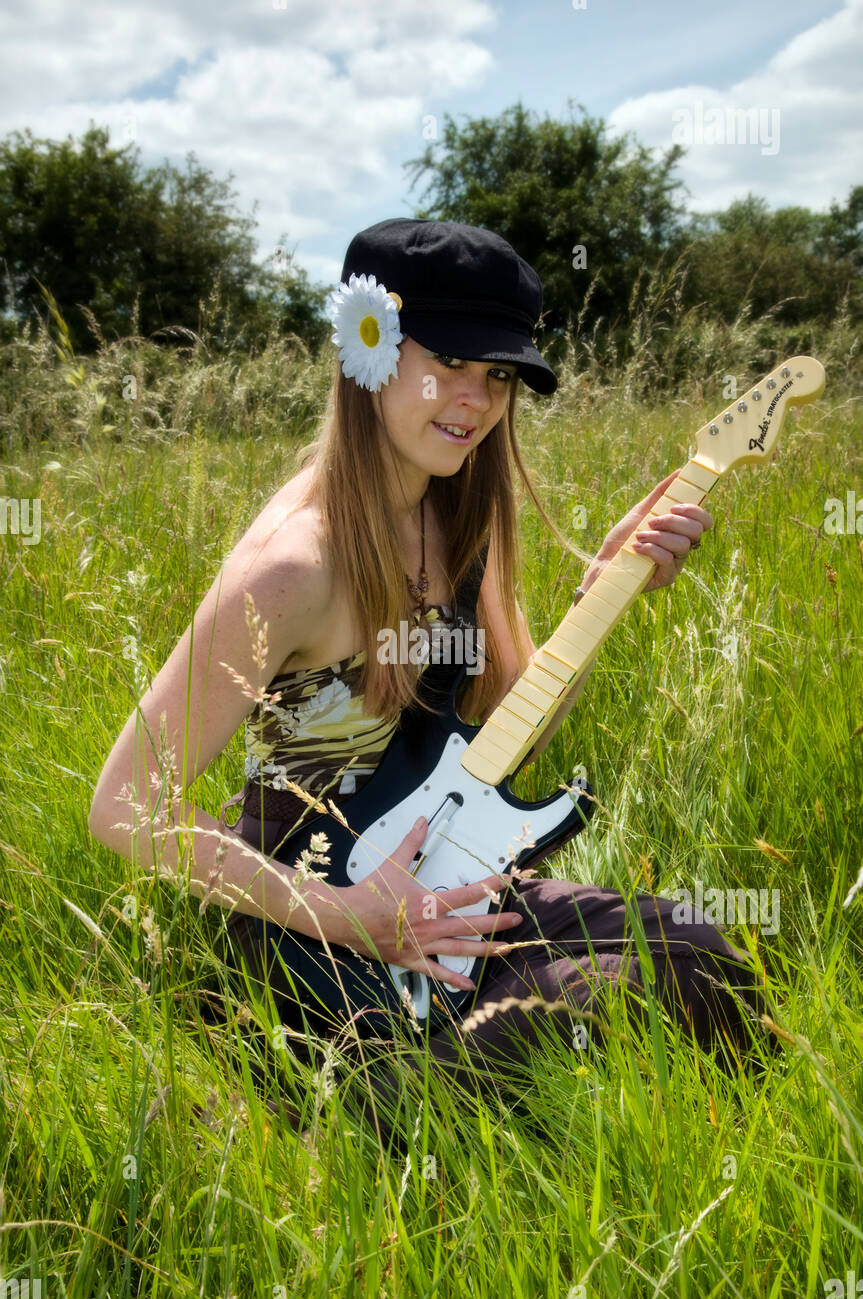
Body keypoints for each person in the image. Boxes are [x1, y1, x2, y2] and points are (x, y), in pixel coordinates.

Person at [88, 218, 776, 1129]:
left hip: (449, 880)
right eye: (448, 361)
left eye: (497, 376)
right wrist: (354, 918)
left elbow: (505, 722)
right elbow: (125, 807)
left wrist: (601, 589)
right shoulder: (293, 566)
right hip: (311, 938)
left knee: (698, 951)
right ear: (367, 346)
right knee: (601, 995)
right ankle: (348, 1124)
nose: (475, 400)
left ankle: (413, 1100)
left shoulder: (457, 513)